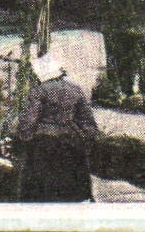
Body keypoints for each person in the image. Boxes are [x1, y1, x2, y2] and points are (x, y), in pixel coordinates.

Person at [16, 53, 100, 202]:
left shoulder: (39, 91)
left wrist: (24, 137)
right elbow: (88, 123)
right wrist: (86, 141)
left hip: (44, 145)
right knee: (72, 190)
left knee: (42, 192)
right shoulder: (75, 90)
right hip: (71, 143)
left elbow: (29, 121)